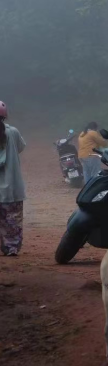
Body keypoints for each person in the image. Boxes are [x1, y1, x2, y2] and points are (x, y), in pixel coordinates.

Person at [0, 101, 27, 257]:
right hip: (12, 187)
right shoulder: (13, 132)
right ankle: (11, 248)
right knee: (12, 220)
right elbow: (21, 147)